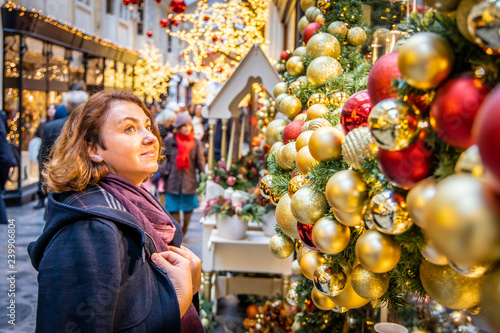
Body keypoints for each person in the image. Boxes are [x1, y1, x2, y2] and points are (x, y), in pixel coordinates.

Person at [28, 91, 204, 332]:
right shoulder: (89, 229)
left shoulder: (132, 201)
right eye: (129, 129)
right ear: (94, 150)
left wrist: (186, 289)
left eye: (148, 126)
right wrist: (178, 302)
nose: (151, 137)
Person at [160, 112, 205, 235]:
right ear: (178, 128)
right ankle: (179, 233)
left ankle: (183, 231)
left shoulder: (195, 142)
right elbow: (163, 158)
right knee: (174, 213)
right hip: (172, 182)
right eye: (183, 126)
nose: (186, 128)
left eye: (188, 125)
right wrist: (163, 170)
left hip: (189, 182)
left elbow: (200, 162)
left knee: (188, 211)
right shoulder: (169, 141)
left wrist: (204, 179)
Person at [33, 104, 56, 209]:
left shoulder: (56, 123)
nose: (51, 111)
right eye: (49, 109)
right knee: (42, 177)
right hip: (44, 153)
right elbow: (38, 136)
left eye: (53, 109)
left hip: (54, 156)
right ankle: (41, 199)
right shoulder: (43, 123)